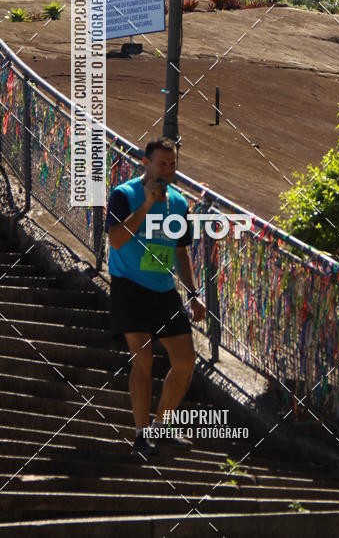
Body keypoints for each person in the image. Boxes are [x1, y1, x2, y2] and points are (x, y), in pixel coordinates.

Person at [105, 136, 205, 460]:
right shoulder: (124, 194)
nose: (168, 169)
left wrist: (193, 294)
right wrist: (146, 205)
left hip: (163, 289)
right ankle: (141, 434)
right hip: (129, 286)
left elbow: (180, 251)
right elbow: (117, 239)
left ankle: (162, 426)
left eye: (173, 163)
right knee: (143, 360)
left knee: (185, 360)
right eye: (162, 162)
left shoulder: (178, 203)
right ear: (145, 163)